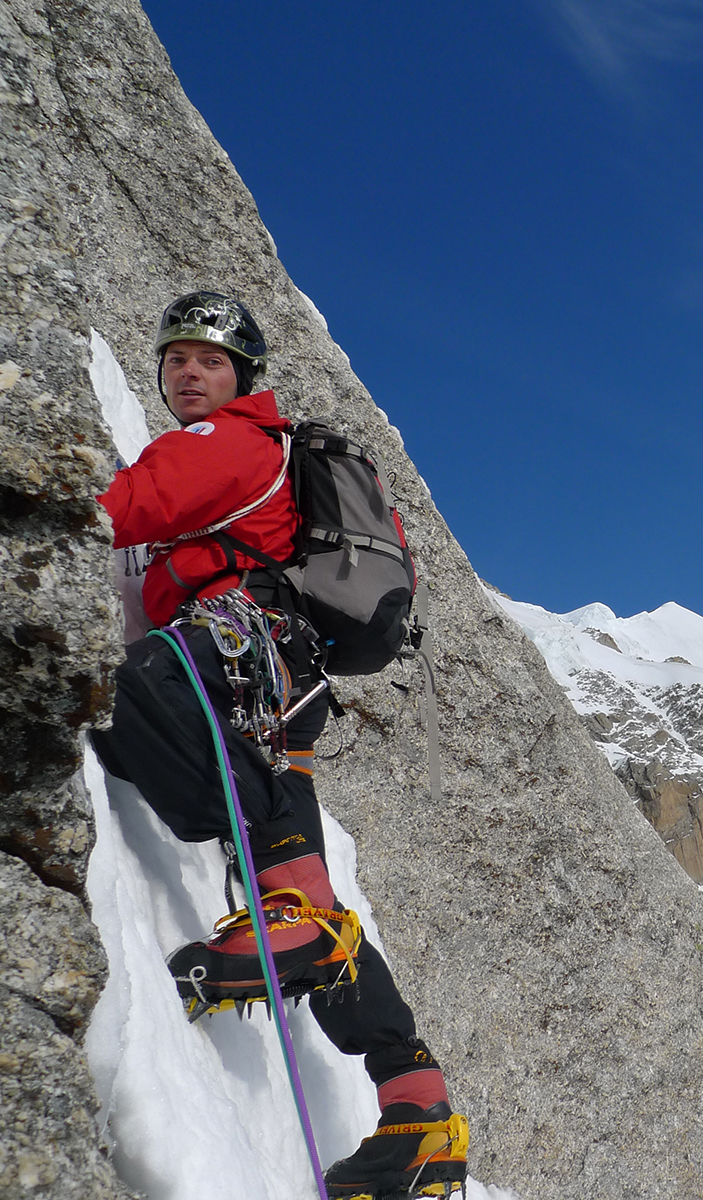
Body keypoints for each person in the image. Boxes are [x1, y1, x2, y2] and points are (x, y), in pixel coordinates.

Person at [92, 292, 468, 1199]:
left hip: (242, 643)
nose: (190, 372)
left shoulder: (228, 443)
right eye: (177, 358)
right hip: (278, 679)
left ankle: (291, 925)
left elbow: (125, 506)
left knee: (133, 689)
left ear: (242, 380)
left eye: (211, 361)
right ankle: (420, 1115)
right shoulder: (250, 448)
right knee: (297, 868)